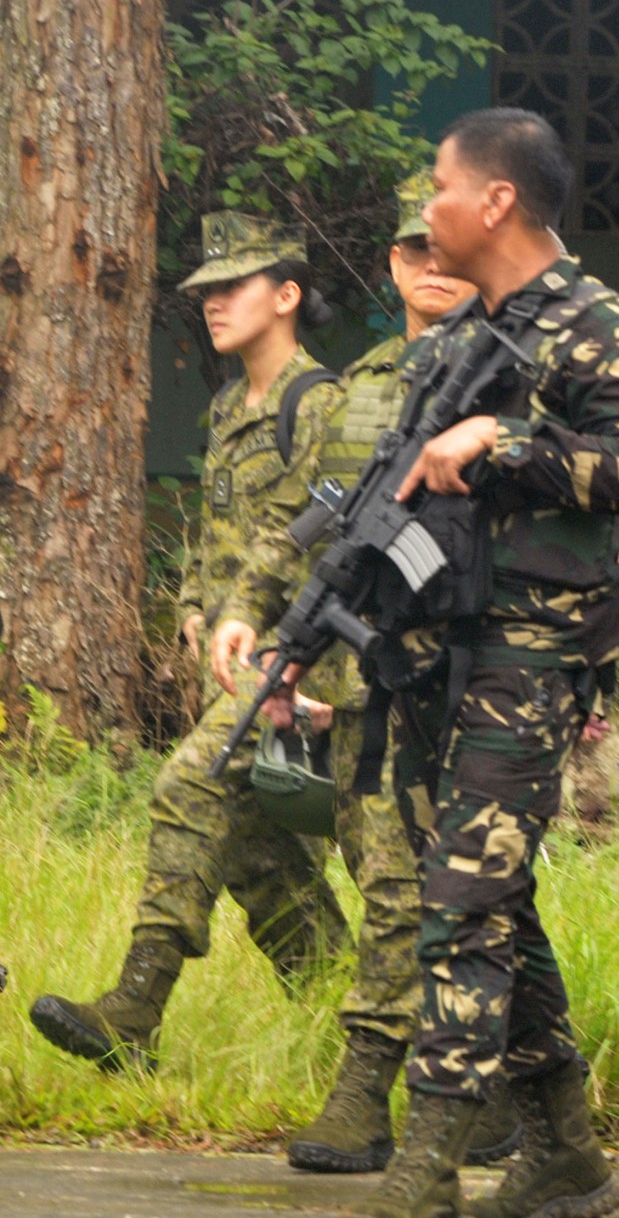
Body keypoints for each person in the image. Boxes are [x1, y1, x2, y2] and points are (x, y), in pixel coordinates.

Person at [339, 107, 619, 1218]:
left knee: (466, 896)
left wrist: (505, 444)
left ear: (496, 201)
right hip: (441, 647)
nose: (425, 207)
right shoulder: (452, 337)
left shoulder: (600, 323)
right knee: (489, 891)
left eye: (439, 184)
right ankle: (566, 1149)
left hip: (532, 653)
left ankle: (428, 1157)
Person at [203, 173, 527, 1175]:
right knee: (398, 883)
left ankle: (405, 1088)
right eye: (412, 254)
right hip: (380, 684)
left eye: (444, 252)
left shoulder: (520, 378)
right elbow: (306, 519)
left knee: (454, 894)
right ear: (394, 263)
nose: (431, 270)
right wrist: (253, 608)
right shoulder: (358, 395)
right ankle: (479, 1094)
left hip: (489, 679)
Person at [30, 212, 351, 1075]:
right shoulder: (226, 406)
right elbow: (218, 535)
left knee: (186, 786)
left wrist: (301, 665)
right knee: (258, 853)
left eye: (233, 287)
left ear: (286, 295)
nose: (212, 303)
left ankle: (133, 1011)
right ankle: (350, 1017)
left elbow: (327, 546)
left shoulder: (320, 406)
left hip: (297, 662)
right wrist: (193, 610)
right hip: (236, 661)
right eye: (206, 290)